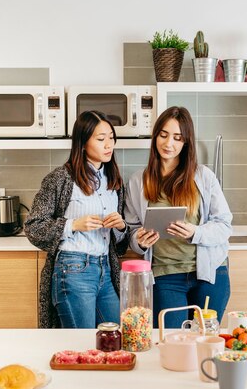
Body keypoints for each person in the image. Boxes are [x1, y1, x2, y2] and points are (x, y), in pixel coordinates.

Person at [125, 106, 233, 328]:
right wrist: (139, 240)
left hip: (208, 275)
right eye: (163, 135)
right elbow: (131, 228)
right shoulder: (138, 181)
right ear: (155, 137)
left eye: (177, 138)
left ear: (186, 142)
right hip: (165, 275)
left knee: (204, 341)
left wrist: (196, 232)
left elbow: (224, 225)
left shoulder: (203, 176)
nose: (168, 144)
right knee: (171, 341)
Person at [24, 110, 128, 328]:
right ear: (82, 143)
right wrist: (73, 224)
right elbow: (33, 227)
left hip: (106, 269)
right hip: (73, 268)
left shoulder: (114, 182)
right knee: (83, 344)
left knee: (115, 339)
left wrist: (120, 227)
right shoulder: (60, 179)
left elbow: (119, 244)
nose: (109, 144)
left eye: (111, 137)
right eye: (101, 139)